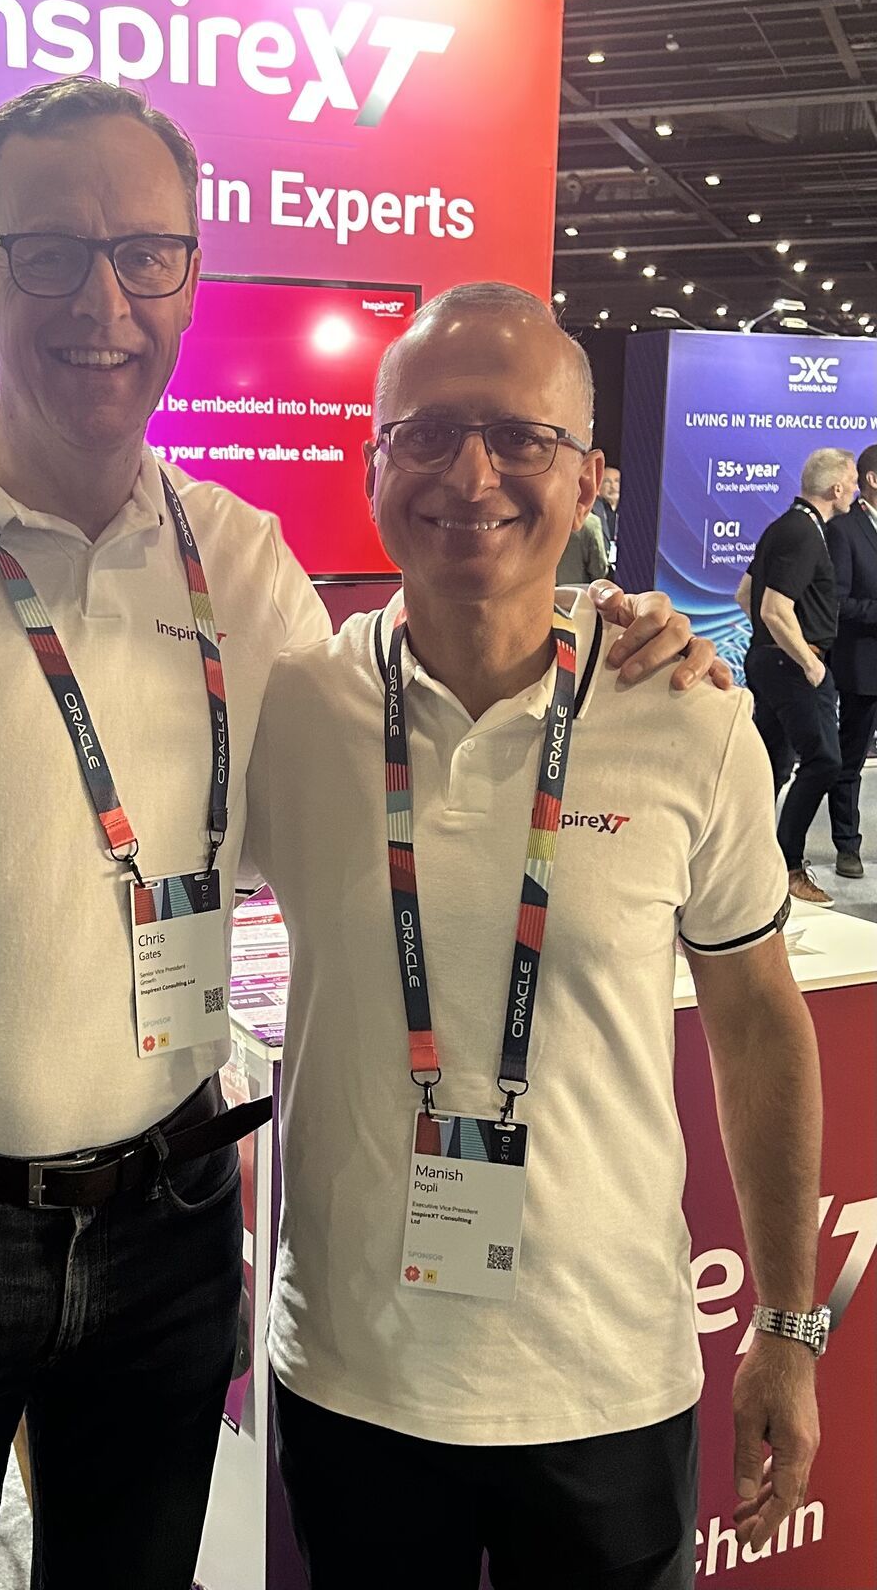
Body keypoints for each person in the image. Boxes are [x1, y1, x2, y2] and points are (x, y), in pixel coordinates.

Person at [0, 80, 714, 1590]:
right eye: (51, 252)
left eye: (144, 254)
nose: (103, 302)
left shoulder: (243, 556)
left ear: (188, 281)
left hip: (164, 1222)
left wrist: (606, 632)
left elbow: (408, 728)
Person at [242, 285, 825, 1590]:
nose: (471, 476)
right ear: (373, 463)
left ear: (587, 478)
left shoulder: (689, 715)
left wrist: (787, 1324)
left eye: (520, 437)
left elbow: (756, 1022)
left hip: (606, 1381)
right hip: (355, 1375)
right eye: (428, 433)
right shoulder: (296, 706)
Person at [736, 448, 857, 907]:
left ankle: (749, 863)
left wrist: (772, 647)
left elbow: (744, 594)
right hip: (793, 667)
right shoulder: (803, 532)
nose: (855, 489)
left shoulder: (785, 527)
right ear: (837, 488)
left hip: (773, 663)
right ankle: (786, 866)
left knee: (771, 766)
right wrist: (808, 662)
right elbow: (772, 607)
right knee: (824, 760)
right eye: (852, 481)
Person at [825, 441, 877, 878]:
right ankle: (847, 845)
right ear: (872, 480)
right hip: (863, 666)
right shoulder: (844, 530)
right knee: (851, 760)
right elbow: (837, 603)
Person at [555, 505, 607, 585]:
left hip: (550, 590)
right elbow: (598, 569)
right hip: (582, 588)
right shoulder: (591, 522)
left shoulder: (544, 519)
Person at [593, 462, 620, 562]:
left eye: (617, 481)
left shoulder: (632, 512)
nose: (613, 486)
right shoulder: (590, 511)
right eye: (607, 481)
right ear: (598, 487)